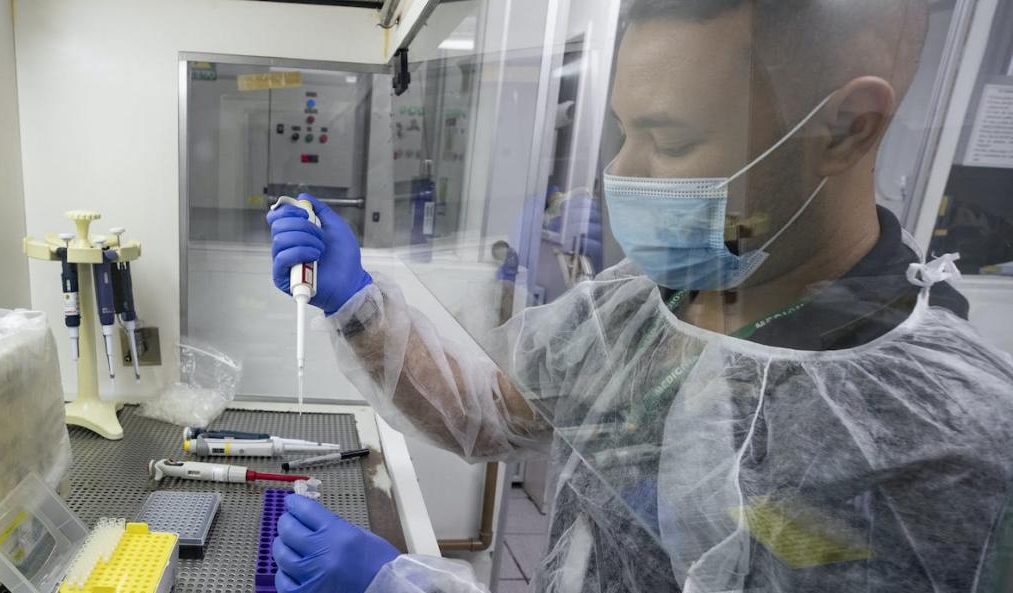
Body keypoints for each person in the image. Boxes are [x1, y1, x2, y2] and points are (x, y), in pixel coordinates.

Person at [266, 0, 1013, 591]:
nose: (622, 173)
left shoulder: (947, 444)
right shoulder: (639, 305)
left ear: (847, 128)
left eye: (673, 141)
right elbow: (487, 409)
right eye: (625, 131)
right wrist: (356, 301)